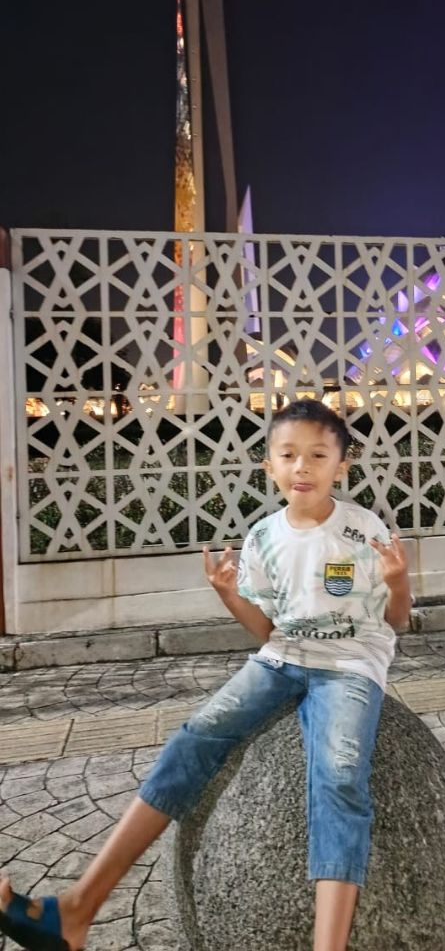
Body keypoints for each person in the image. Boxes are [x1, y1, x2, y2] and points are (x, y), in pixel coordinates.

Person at [0, 399, 411, 951]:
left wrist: (399, 582)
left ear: (342, 466)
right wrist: (228, 595)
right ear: (269, 465)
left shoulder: (363, 530)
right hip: (283, 658)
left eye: (318, 455)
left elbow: (396, 621)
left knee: (338, 778)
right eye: (288, 455)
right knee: (193, 739)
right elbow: (268, 632)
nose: (302, 467)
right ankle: (76, 910)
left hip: (351, 666)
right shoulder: (263, 538)